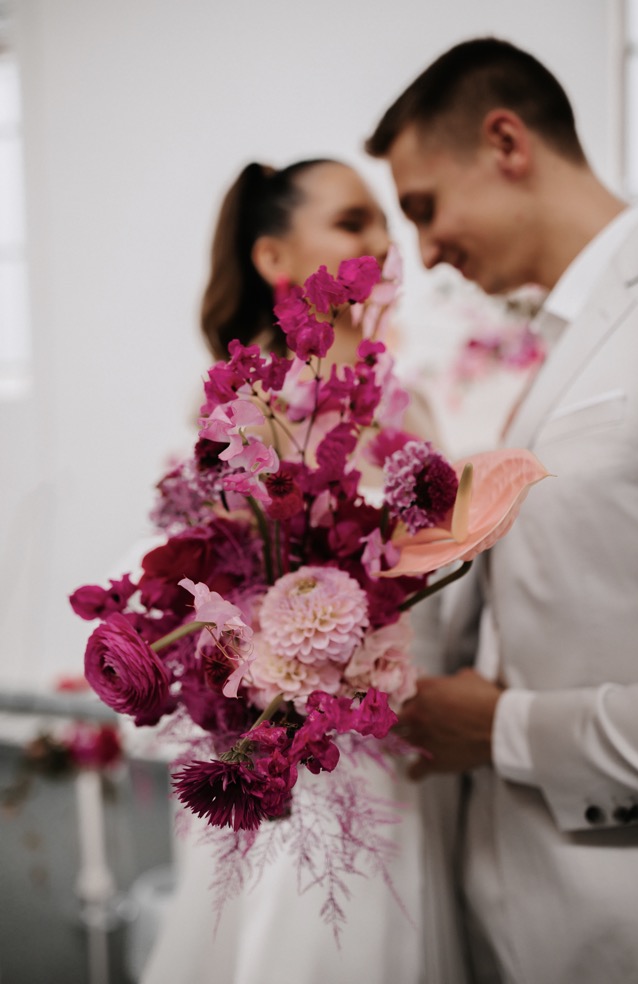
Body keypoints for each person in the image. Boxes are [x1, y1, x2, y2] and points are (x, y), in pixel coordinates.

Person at [365, 36, 638, 984]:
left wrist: (499, 732)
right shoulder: (552, 342)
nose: (424, 251)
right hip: (513, 916)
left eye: (423, 207)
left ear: (505, 143)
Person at [140, 158, 468, 984]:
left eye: (383, 223)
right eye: (352, 221)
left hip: (416, 749)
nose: (381, 241)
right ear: (274, 258)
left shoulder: (411, 403)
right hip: (312, 770)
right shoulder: (245, 415)